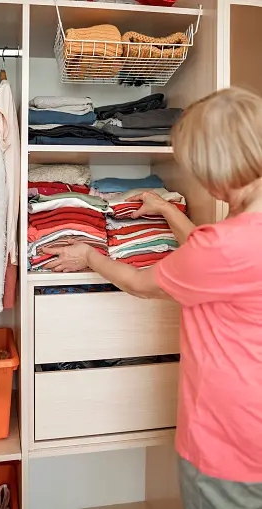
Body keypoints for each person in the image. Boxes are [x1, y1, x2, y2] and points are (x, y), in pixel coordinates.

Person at [42, 87, 262, 508]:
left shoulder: (220, 249)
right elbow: (210, 255)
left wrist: (89, 254)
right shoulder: (228, 242)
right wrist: (165, 208)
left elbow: (141, 283)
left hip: (228, 445)